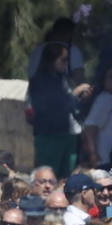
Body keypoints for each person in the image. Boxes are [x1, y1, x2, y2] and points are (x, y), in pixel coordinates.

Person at [28, 43, 92, 178]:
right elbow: (48, 106)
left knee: (67, 177)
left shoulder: (64, 79)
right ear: (51, 60)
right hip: (50, 137)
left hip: (68, 135)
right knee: (49, 177)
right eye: (63, 60)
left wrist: (81, 98)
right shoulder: (39, 81)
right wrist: (75, 94)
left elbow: (70, 105)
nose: (66, 64)